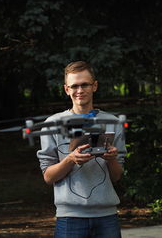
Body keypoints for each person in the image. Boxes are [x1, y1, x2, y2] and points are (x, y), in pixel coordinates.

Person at [37, 61, 126, 238]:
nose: (80, 90)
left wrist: (111, 159)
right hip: (70, 218)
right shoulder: (51, 124)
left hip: (107, 216)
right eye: (74, 86)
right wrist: (70, 159)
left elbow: (117, 176)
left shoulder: (113, 122)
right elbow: (48, 176)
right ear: (66, 89)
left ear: (95, 86)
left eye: (85, 84)